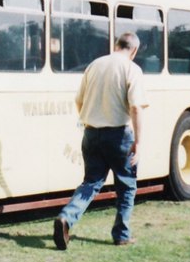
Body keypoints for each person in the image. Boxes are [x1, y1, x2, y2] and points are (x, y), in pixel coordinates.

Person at [53, 32, 148, 250]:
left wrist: (88, 121)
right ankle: (121, 234)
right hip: (119, 135)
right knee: (127, 185)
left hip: (91, 133)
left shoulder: (94, 65)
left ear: (116, 45)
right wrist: (139, 144)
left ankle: (66, 217)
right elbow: (135, 107)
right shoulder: (131, 69)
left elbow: (79, 100)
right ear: (134, 50)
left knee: (91, 183)